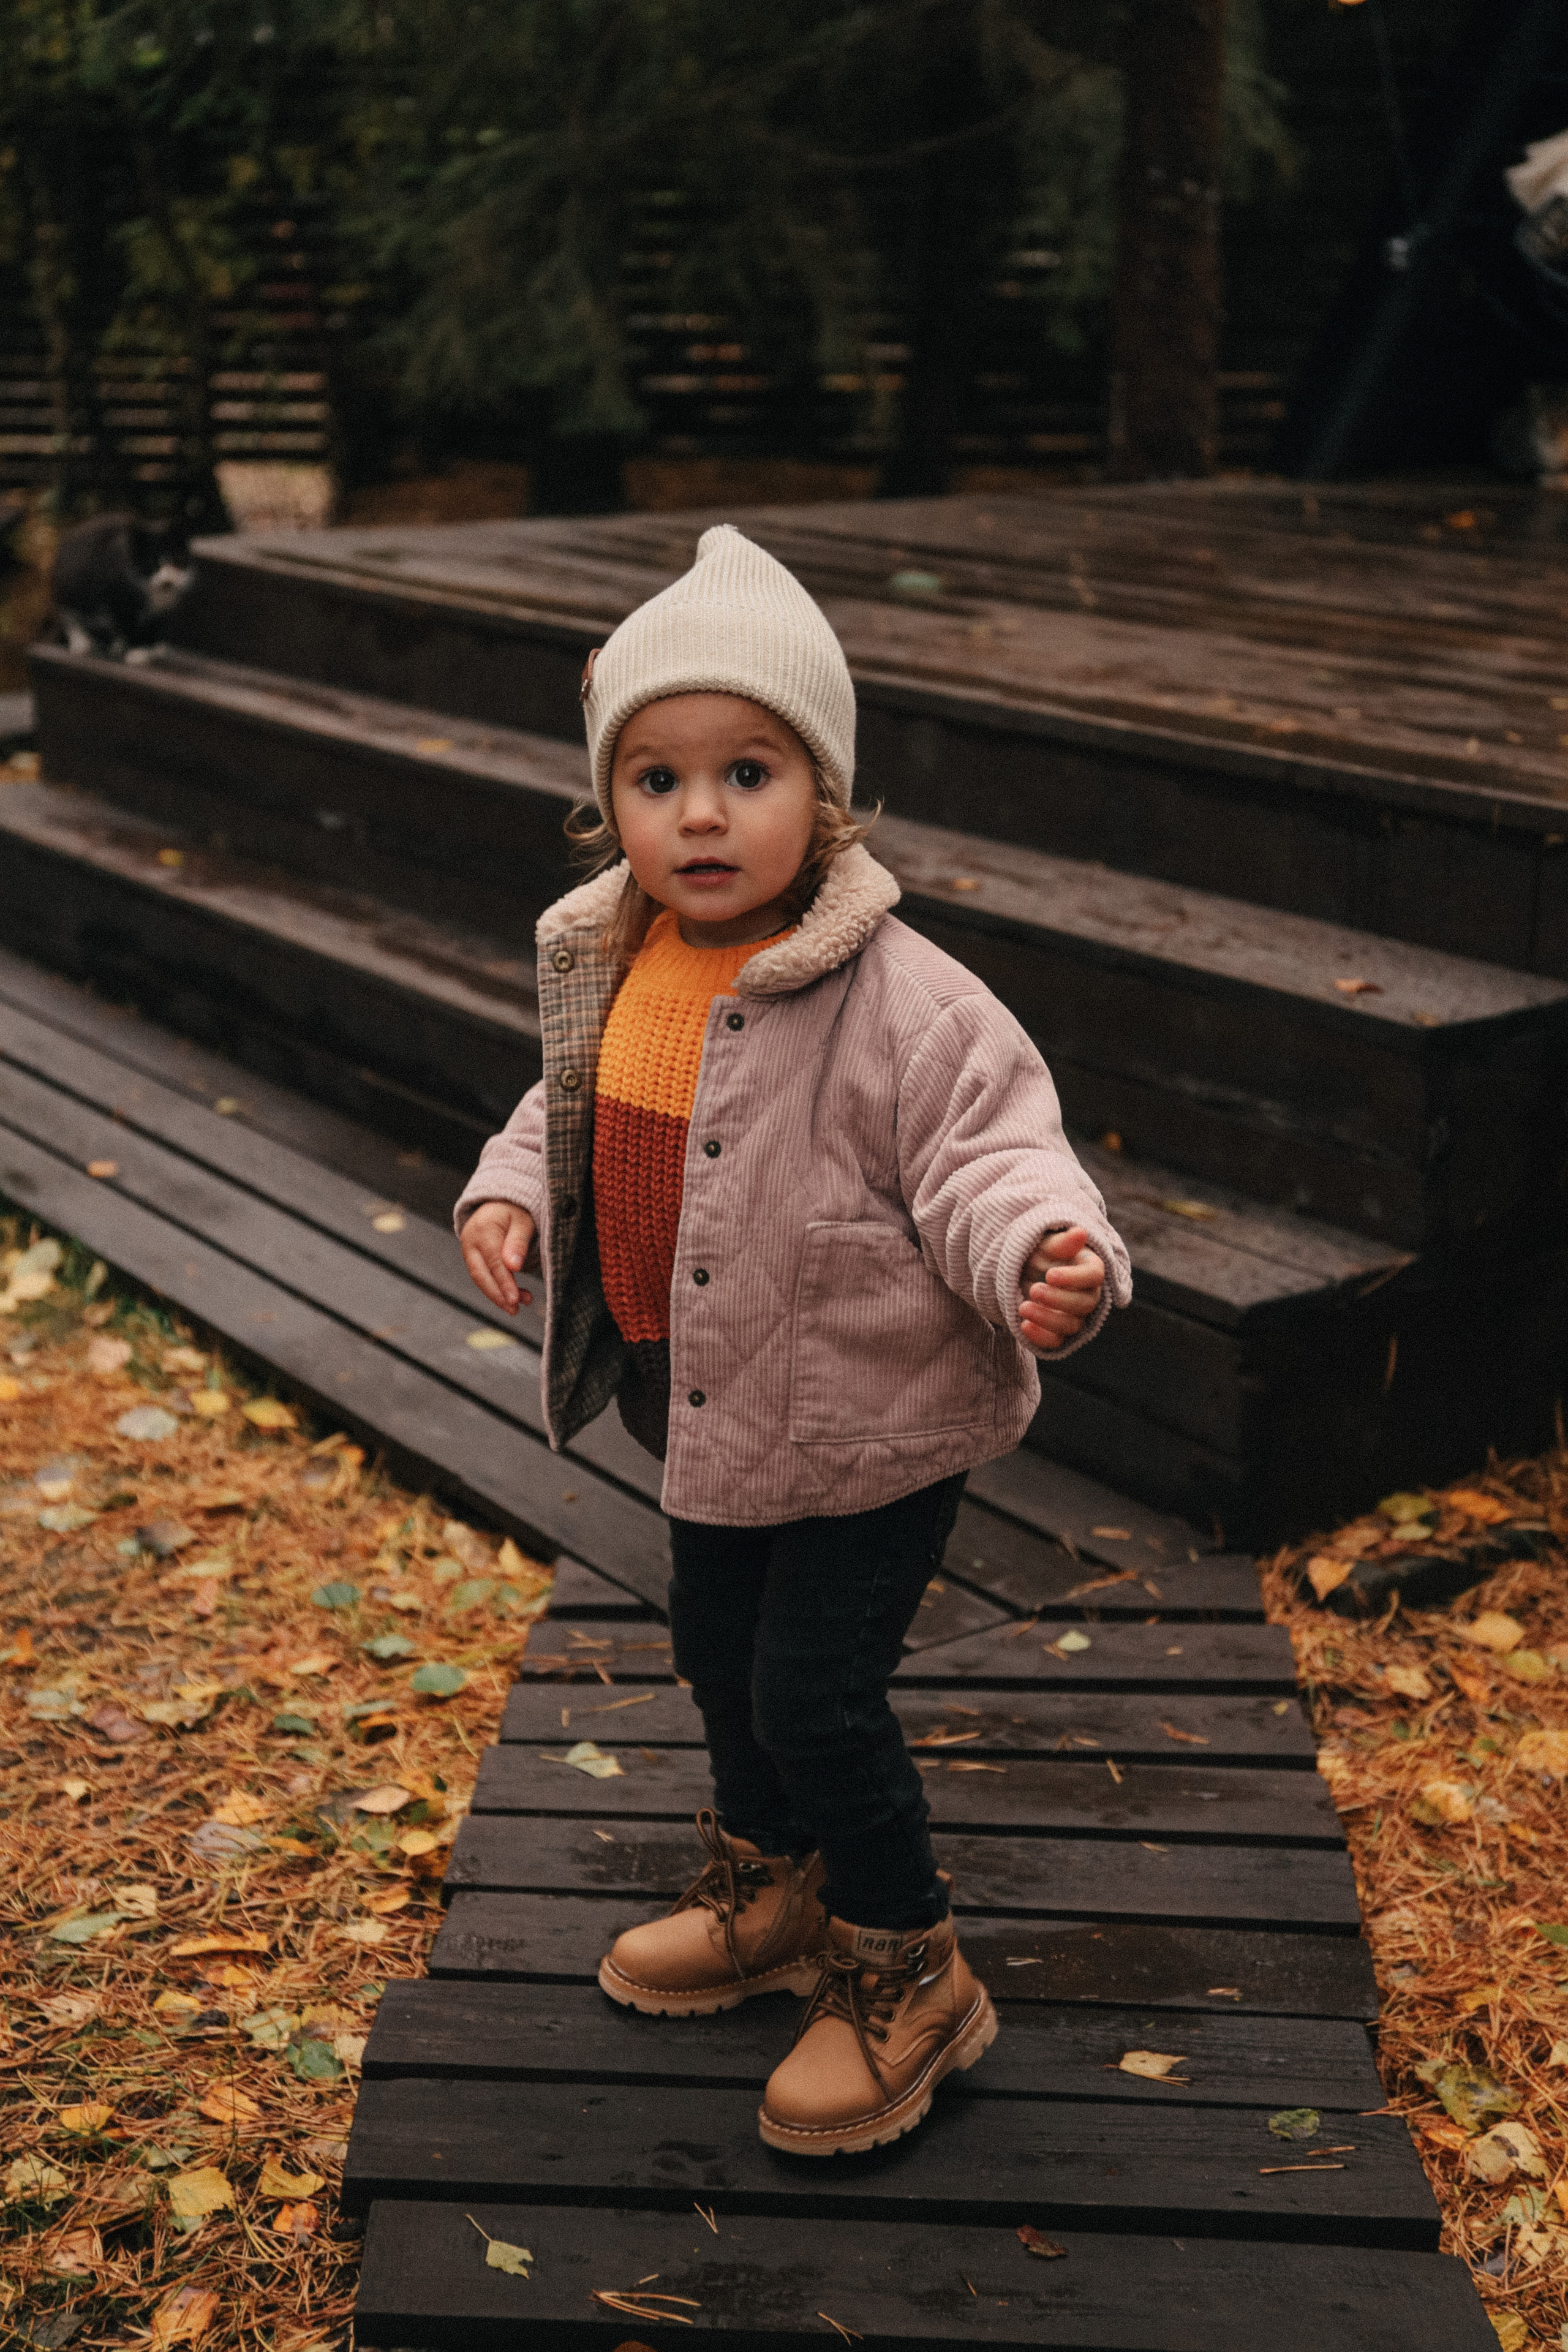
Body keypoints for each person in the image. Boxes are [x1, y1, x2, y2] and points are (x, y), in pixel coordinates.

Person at [456, 524, 1131, 2156]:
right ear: (607, 804)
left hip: (866, 1424)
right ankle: (770, 1889)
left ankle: (911, 1967)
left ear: (823, 797)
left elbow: (996, 1156)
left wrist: (1053, 1254)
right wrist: (508, 1194)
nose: (701, 813)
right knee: (718, 1661)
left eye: (747, 770)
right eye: (658, 777)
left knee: (818, 1696)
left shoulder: (909, 1001)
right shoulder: (621, 957)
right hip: (698, 1412)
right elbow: (570, 1107)